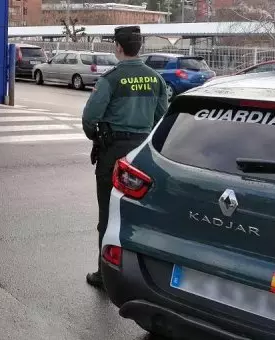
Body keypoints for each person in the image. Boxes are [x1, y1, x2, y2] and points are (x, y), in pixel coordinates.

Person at [82, 25, 169, 289]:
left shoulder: (112, 78)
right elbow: (162, 118)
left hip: (114, 153)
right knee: (142, 214)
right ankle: (145, 275)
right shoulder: (156, 79)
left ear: (118, 47)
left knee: (109, 214)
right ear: (139, 47)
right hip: (143, 155)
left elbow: (89, 118)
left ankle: (105, 273)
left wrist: (97, 138)